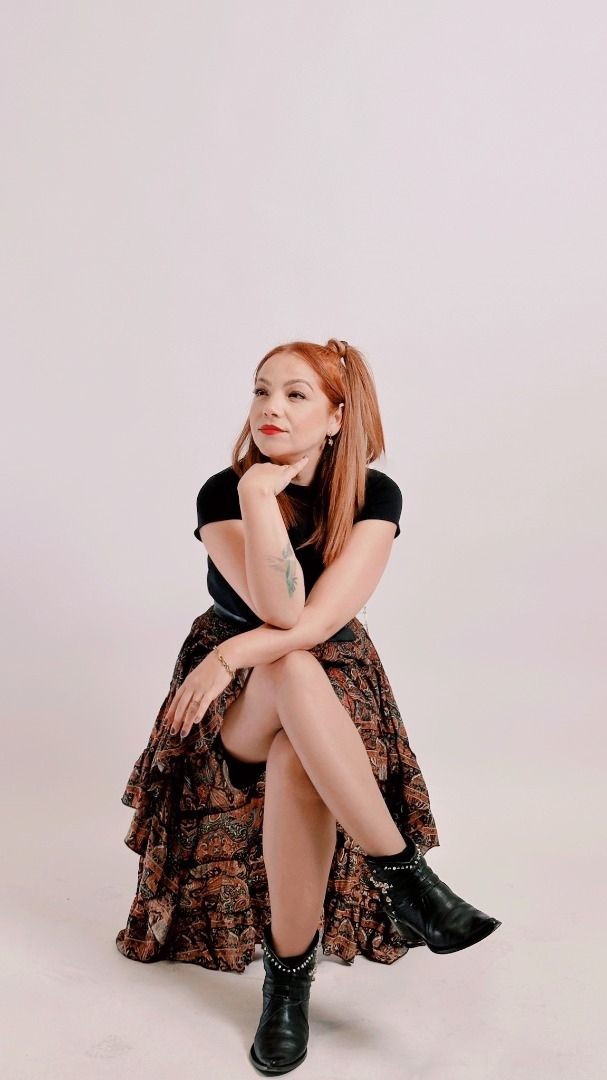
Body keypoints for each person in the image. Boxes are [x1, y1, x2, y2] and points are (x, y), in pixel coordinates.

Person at [116, 338, 500, 1076]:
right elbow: (283, 610)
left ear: (335, 416)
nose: (271, 408)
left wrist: (234, 652)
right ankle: (404, 877)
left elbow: (321, 623)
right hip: (232, 705)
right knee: (287, 662)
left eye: (296, 394)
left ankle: (286, 987)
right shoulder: (223, 493)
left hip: (325, 681)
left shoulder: (374, 496)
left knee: (298, 744)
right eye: (262, 390)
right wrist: (258, 499)